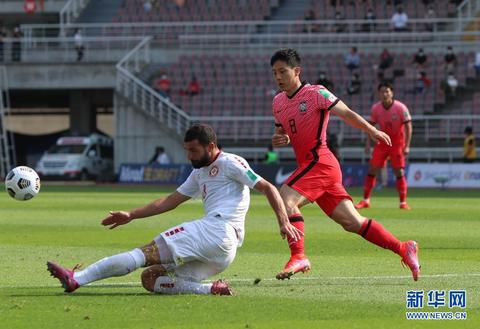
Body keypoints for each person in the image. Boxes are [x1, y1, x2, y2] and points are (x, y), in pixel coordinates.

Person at [47, 123, 302, 295]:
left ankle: (77, 278)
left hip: (218, 229)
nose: (189, 156)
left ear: (211, 146)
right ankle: (211, 289)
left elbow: (268, 187)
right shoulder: (199, 172)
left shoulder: (230, 163)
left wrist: (283, 221)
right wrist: (131, 215)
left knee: (143, 254)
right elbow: (170, 201)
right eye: (187, 150)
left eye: (194, 150)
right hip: (223, 251)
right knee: (151, 278)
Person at [270, 49, 420, 282]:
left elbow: (346, 113)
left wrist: (371, 130)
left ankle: (298, 256)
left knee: (285, 199)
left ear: (296, 71)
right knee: (352, 222)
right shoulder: (278, 102)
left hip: (321, 162)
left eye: (283, 71)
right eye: (274, 73)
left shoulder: (316, 93)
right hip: (315, 168)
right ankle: (404, 248)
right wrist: (282, 138)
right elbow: (284, 131)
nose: (278, 77)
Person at [356, 82, 412, 210]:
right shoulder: (376, 108)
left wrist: (407, 145)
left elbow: (408, 126)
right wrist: (368, 144)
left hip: (397, 143)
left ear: (392, 93)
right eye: (382, 91)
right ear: (379, 94)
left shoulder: (400, 107)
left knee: (399, 171)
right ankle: (366, 200)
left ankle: (403, 202)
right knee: (372, 170)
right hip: (382, 143)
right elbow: (370, 127)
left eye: (387, 91)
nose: (384, 94)